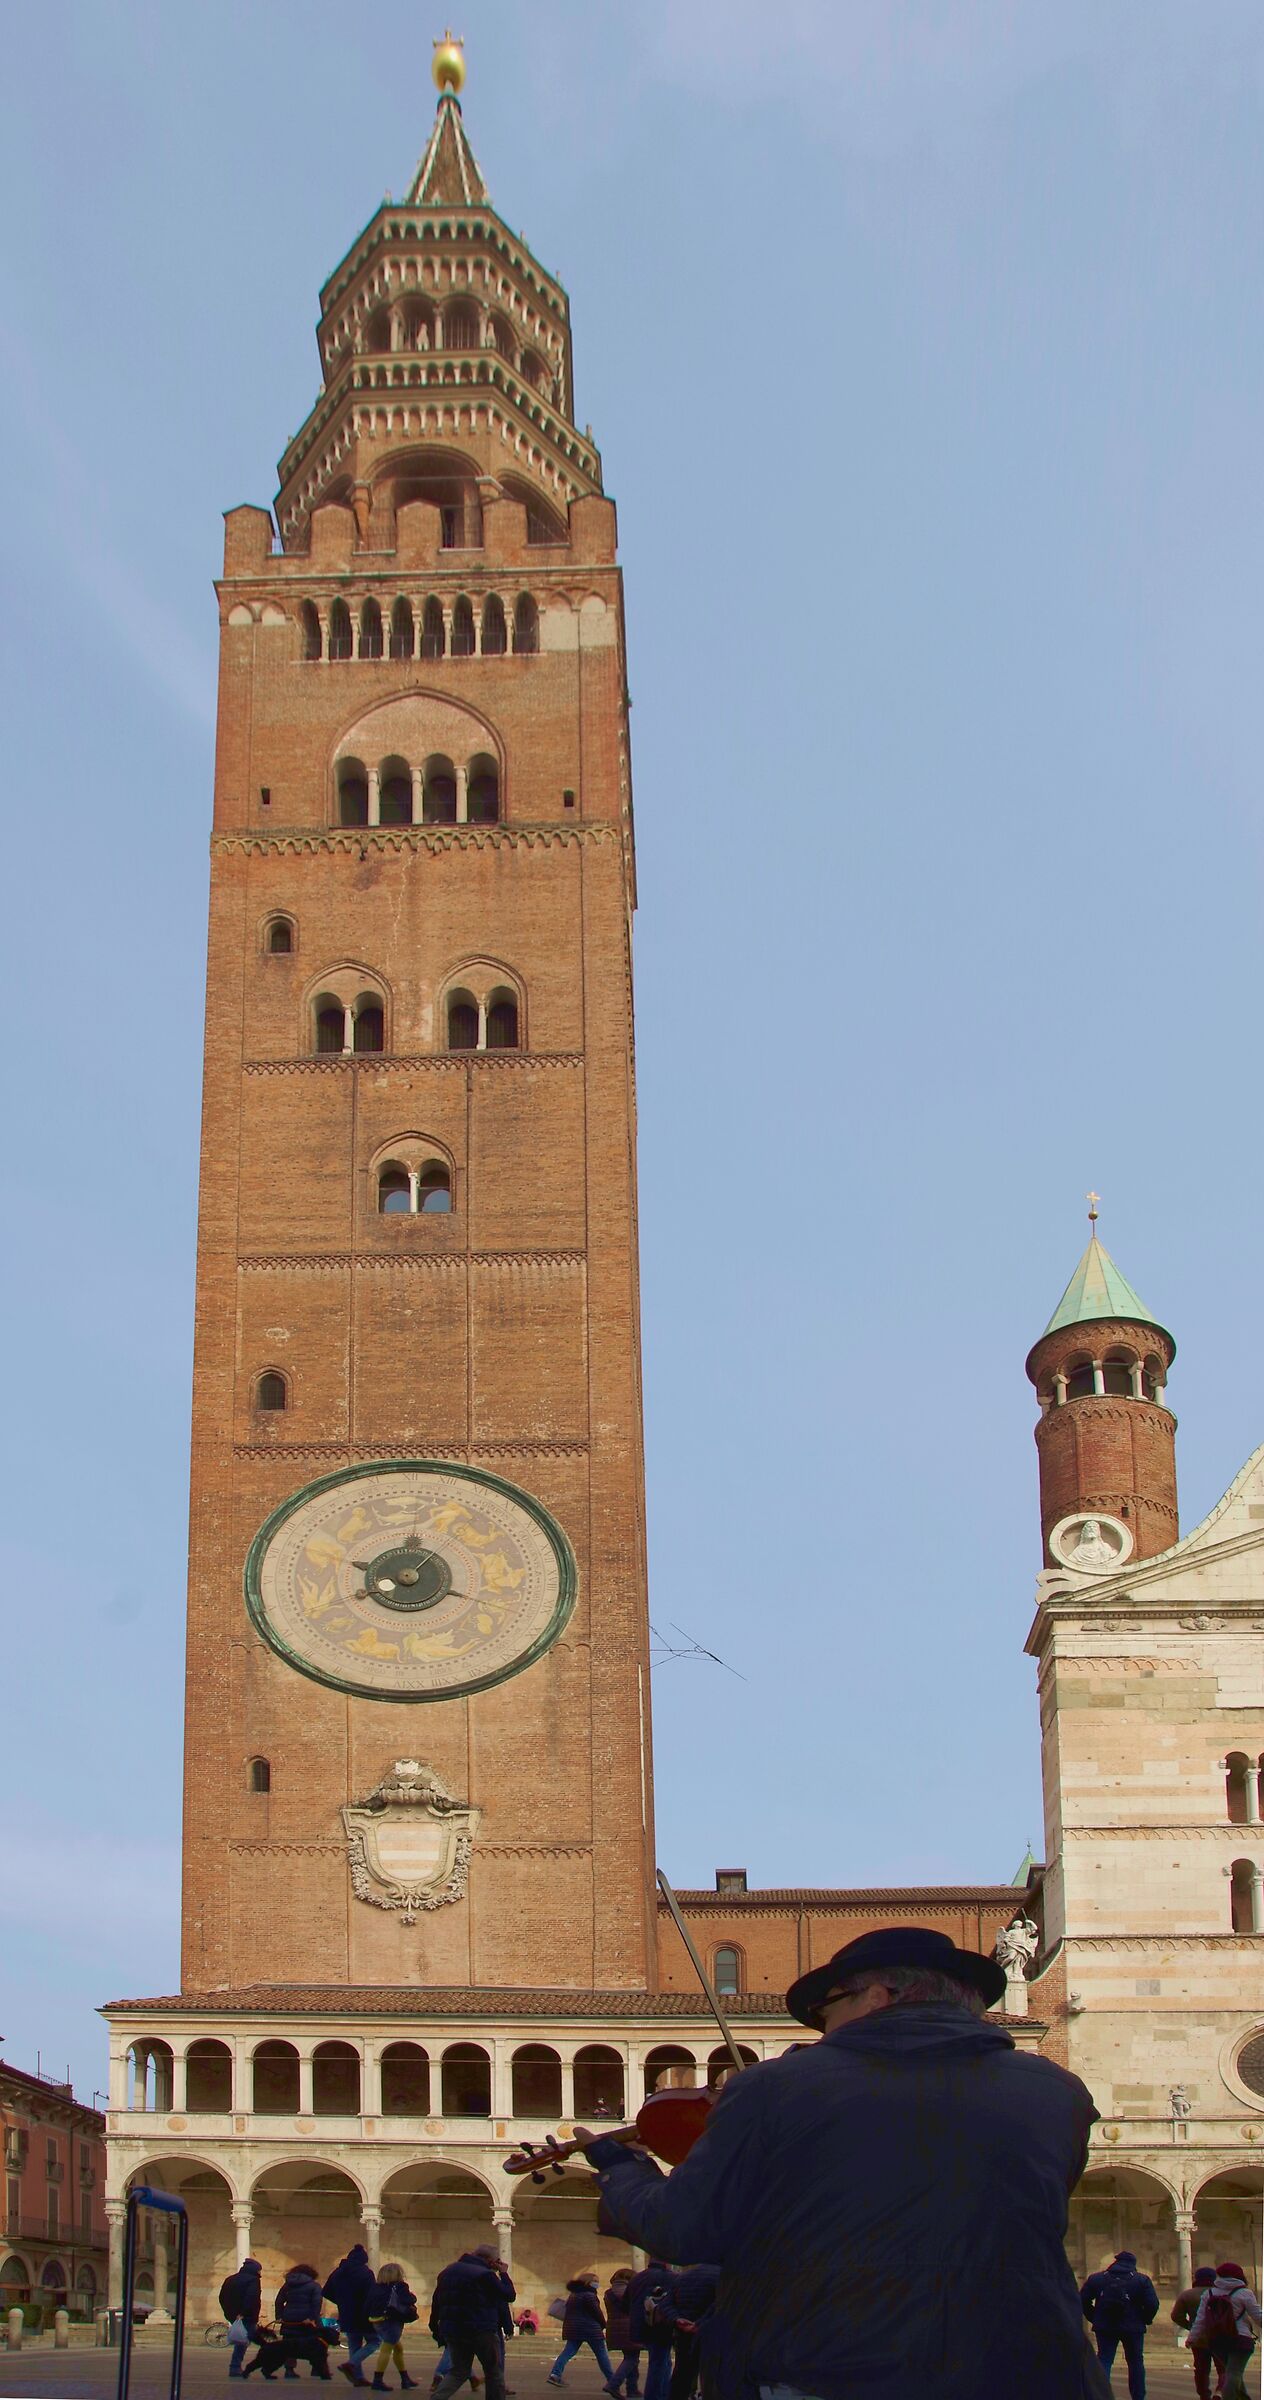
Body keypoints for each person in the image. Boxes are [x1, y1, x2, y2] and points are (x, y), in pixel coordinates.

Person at [578, 1925, 1112, 2400]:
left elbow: (684, 2227)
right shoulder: (1059, 2095)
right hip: (1035, 2371)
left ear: (878, 1996)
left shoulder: (776, 2088)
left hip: (826, 2368)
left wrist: (619, 2167)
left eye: (825, 2010)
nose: (820, 2029)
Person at [429, 2245, 510, 2400]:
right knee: (493, 2372)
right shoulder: (485, 2275)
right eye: (497, 2260)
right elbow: (508, 2295)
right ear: (490, 2260)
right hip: (481, 2330)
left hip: (454, 2330)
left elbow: (437, 2301)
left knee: (458, 2371)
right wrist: (504, 2274)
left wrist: (435, 2327)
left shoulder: (448, 2271)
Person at [1080, 2251, 1160, 2398]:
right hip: (1133, 2327)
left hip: (1105, 2326)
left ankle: (1100, 2395)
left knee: (1104, 2359)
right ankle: (1138, 2396)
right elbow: (1152, 2304)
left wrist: (1095, 2317)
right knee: (1135, 2362)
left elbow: (1083, 2301)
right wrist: (1145, 2319)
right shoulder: (1141, 2280)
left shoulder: (1097, 2279)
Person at [1190, 2262, 1264, 2400]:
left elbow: (1200, 2319)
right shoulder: (1244, 2293)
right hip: (1241, 2339)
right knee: (1234, 2372)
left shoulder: (1209, 2293)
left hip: (1217, 2341)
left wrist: (1192, 2338)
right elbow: (1258, 2316)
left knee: (1232, 2372)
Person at [546, 2272, 617, 2389]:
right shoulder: (589, 2295)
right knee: (601, 2354)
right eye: (595, 2281)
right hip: (590, 2329)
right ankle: (613, 2380)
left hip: (574, 2329)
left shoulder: (574, 2294)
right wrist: (603, 2324)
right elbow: (596, 2312)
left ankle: (555, 2373)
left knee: (568, 2352)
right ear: (588, 2282)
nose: (597, 2284)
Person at [323, 2244, 378, 2389]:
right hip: (363, 2314)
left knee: (354, 2345)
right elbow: (371, 2295)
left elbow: (326, 2291)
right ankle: (351, 2365)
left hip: (347, 2314)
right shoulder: (366, 2273)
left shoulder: (338, 2272)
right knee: (374, 2341)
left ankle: (358, 2378)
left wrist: (342, 2302)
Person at [664, 2268, 717, 2400]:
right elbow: (721, 2304)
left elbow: (666, 2304)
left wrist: (677, 2319)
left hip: (684, 2333)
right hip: (713, 2333)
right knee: (714, 2377)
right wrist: (699, 2324)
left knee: (682, 2375)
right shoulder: (723, 2275)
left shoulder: (682, 2277)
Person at [623, 2261, 674, 2400]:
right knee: (659, 2363)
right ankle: (655, 2395)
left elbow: (625, 2303)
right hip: (662, 2326)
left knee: (663, 2361)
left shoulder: (637, 2278)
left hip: (641, 2326)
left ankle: (664, 2393)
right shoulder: (669, 2277)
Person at [275, 2265, 334, 2382]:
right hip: (307, 2321)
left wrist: (279, 2316)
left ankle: (289, 2370)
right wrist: (312, 2318)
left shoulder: (287, 2285)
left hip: (289, 2320)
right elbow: (316, 2303)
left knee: (289, 2345)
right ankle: (317, 2369)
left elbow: (279, 2301)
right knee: (317, 2345)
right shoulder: (314, 2286)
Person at [367, 2262, 419, 2393]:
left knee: (398, 2348)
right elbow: (409, 2300)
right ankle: (377, 2380)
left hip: (377, 2321)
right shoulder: (400, 2286)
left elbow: (367, 2304)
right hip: (392, 2321)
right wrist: (412, 2296)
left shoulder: (375, 2287)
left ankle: (405, 2379)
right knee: (386, 2349)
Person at [1172, 2266, 1218, 2400]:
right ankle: (1220, 2391)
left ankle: (1204, 2395)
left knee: (1201, 2369)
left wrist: (1190, 2327)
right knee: (1223, 2367)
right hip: (1220, 2337)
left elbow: (1176, 2316)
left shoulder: (1187, 2295)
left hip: (1199, 2338)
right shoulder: (1221, 2293)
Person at [220, 2256, 264, 2380]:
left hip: (234, 2316)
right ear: (255, 2270)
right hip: (247, 2316)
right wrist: (244, 2313)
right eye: (260, 2270)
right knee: (243, 2342)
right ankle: (235, 2367)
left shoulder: (230, 2279)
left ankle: (261, 2363)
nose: (260, 2273)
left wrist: (228, 2313)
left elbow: (222, 2297)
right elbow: (252, 2298)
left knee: (245, 2340)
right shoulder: (253, 2280)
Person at [602, 2271, 638, 2397]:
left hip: (614, 2328)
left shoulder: (608, 2293)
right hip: (629, 2327)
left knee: (631, 2357)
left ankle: (632, 2389)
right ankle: (613, 2384)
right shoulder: (631, 2291)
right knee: (632, 2358)